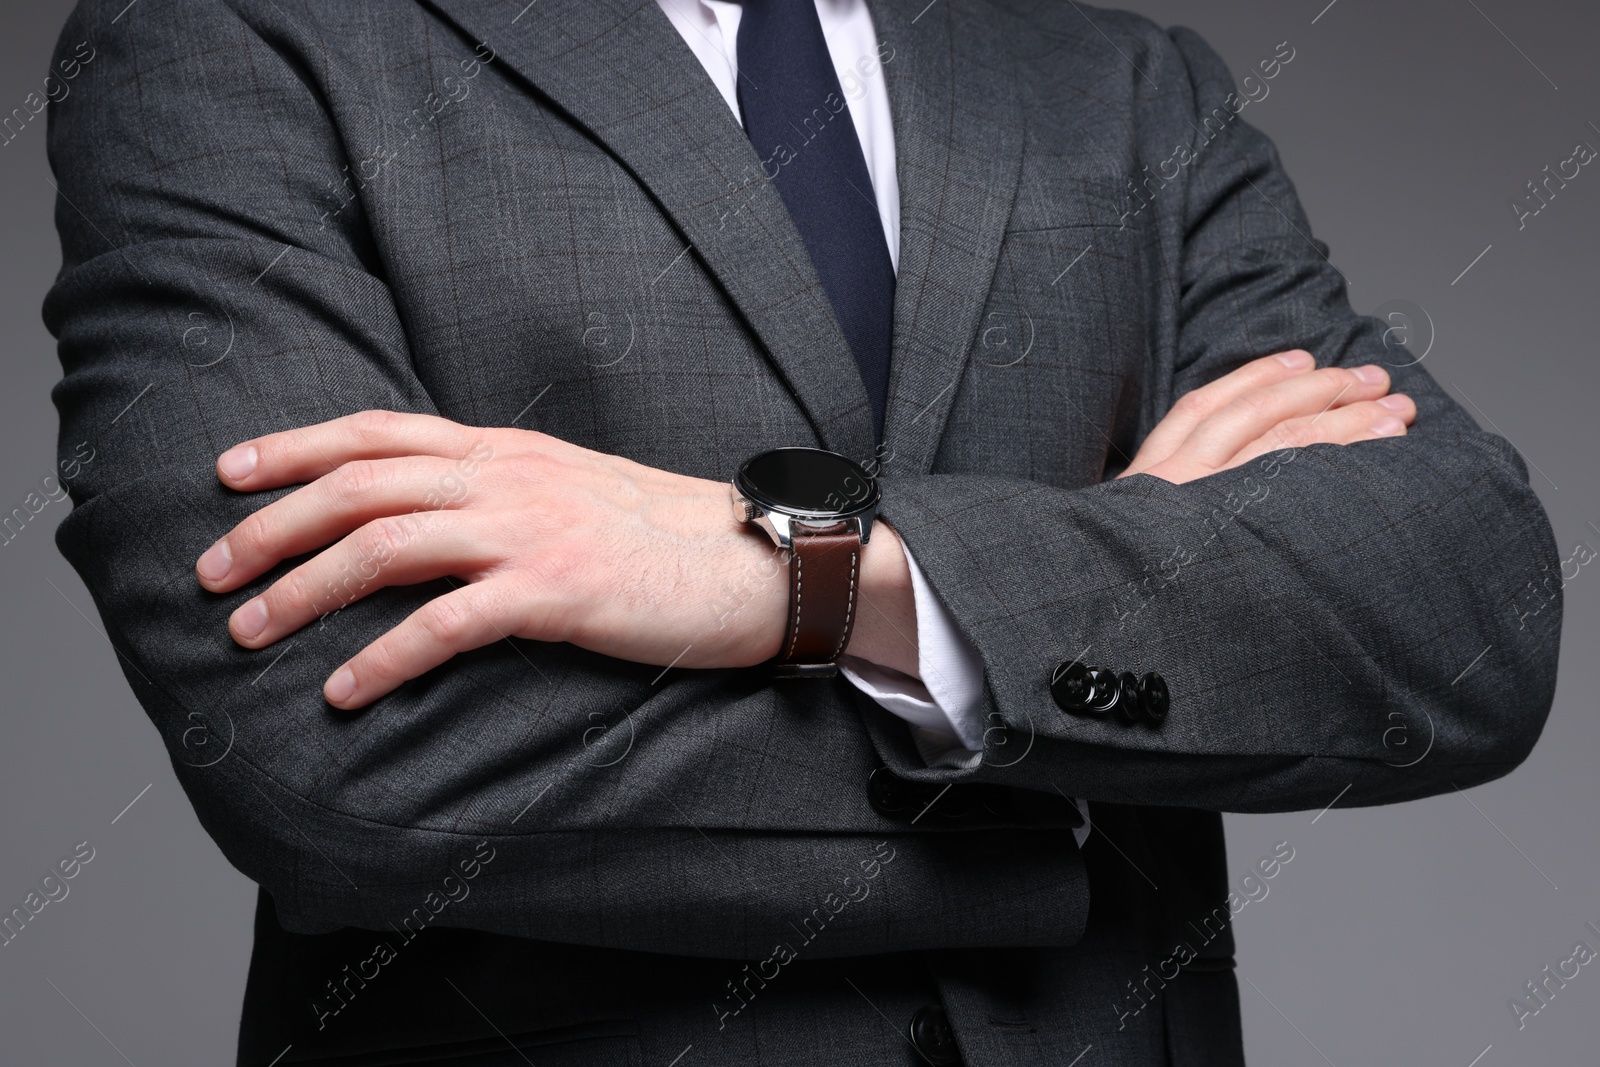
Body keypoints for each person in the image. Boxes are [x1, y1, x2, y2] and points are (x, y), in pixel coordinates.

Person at [44, 0, 1560, 1064]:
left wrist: (795, 579)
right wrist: (1077, 663)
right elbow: (328, 755)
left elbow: (1467, 607)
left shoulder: (1125, 90)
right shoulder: (230, 40)